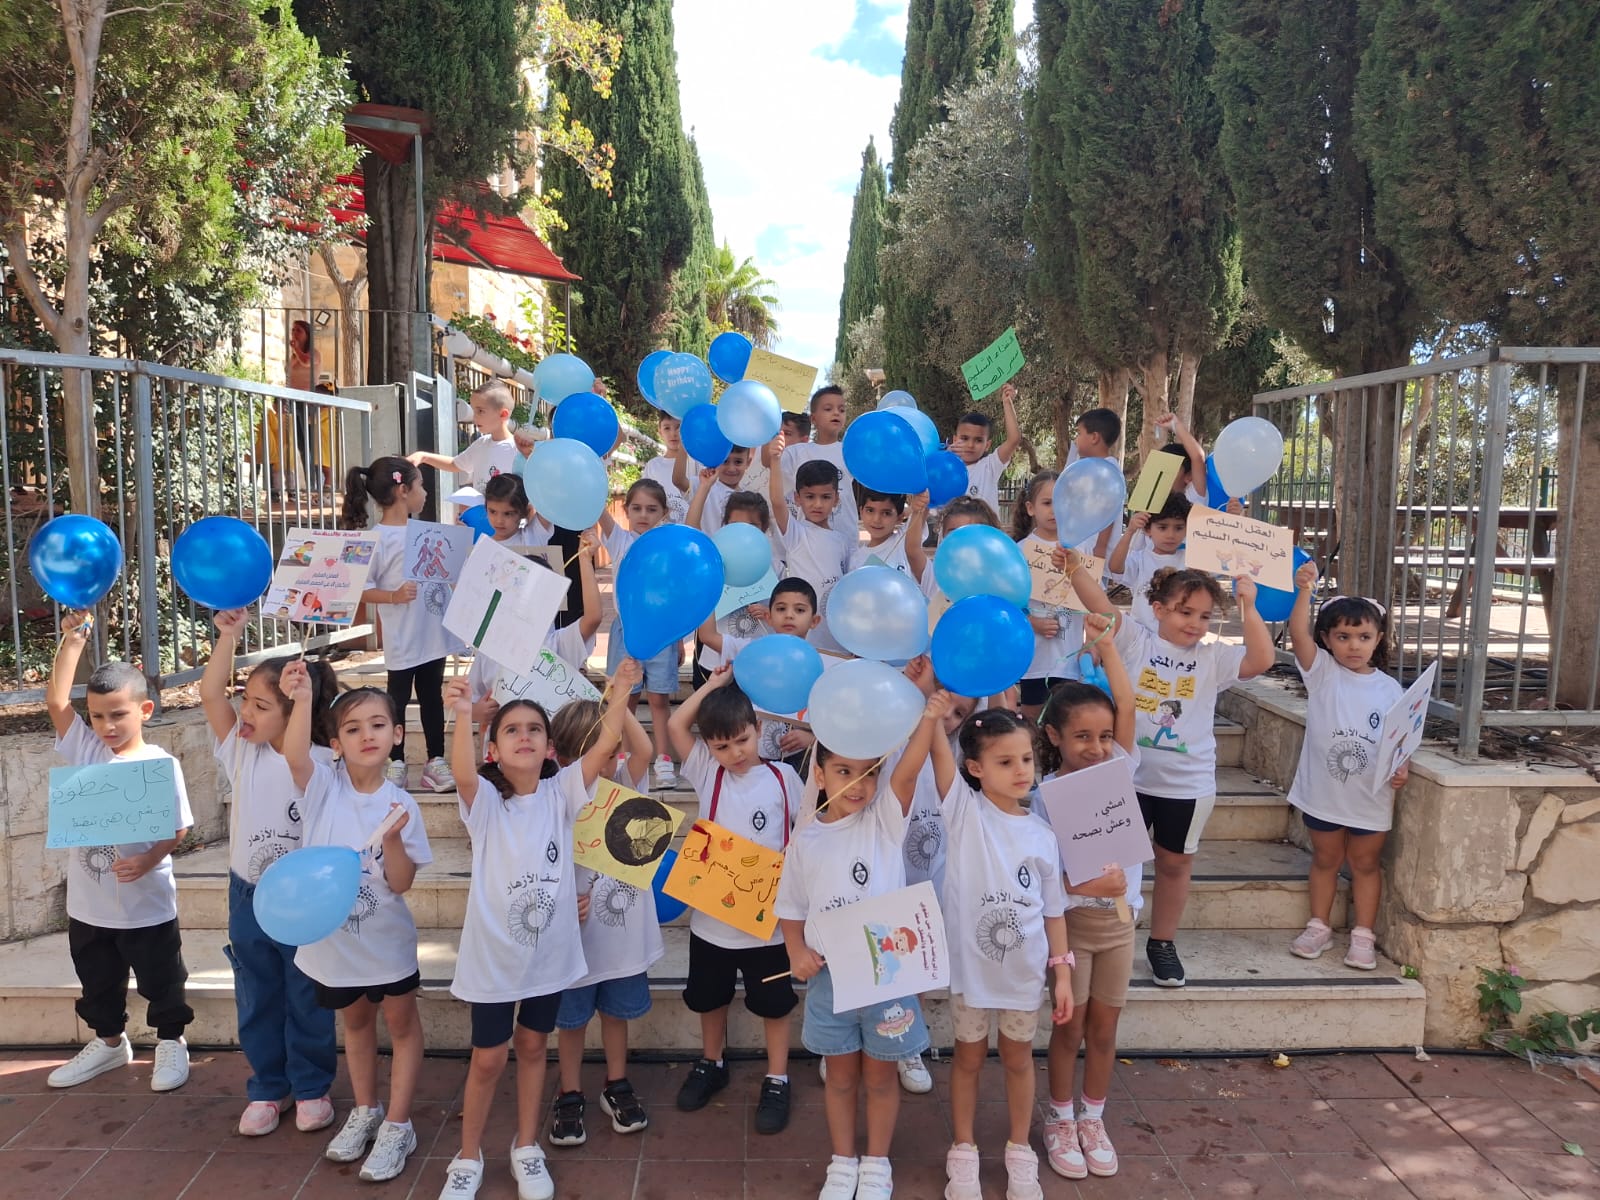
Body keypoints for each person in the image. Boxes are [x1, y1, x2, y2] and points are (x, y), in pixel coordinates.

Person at [434, 661, 638, 1200]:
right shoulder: (484, 802)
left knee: (532, 1047)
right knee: (488, 1058)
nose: (523, 736)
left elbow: (605, 742)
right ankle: (468, 1156)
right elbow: (461, 774)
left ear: (550, 747)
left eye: (534, 729)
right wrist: (463, 713)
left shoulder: (562, 793)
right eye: (511, 730)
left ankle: (526, 1147)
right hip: (493, 961)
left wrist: (620, 690)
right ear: (494, 749)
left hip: (548, 957)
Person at [891, 697, 1073, 1200]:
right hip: (971, 975)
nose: (1021, 770)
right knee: (968, 1060)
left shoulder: (1042, 835)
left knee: (1018, 1060)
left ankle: (1020, 1150)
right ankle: (964, 1149)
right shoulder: (962, 814)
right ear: (975, 768)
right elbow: (938, 755)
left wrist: (1061, 973)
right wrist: (930, 712)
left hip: (1023, 977)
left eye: (1027, 759)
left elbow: (1054, 912)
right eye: (1005, 761)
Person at [1082, 566, 1274, 987]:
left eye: (1205, 616)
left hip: (1187, 785)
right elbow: (1098, 603)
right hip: (1127, 780)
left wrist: (1249, 605)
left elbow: (1261, 659)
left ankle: (1162, 943)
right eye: (1185, 612)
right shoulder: (1137, 641)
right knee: (1114, 862)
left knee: (1174, 863)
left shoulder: (1213, 657)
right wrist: (1074, 568)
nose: (1195, 623)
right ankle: (1105, 937)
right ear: (1158, 609)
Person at [282, 670, 433, 1183]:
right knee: (356, 1024)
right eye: (352, 728)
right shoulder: (323, 788)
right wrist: (303, 698)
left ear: (397, 734)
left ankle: (398, 1124)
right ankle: (366, 1109)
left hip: (387, 945)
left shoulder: (403, 804)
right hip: (334, 946)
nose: (366, 735)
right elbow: (294, 755)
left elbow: (402, 882)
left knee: (402, 1025)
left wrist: (393, 840)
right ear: (335, 744)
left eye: (377, 724)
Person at [199, 612, 338, 1136]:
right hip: (247, 895)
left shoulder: (320, 762)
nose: (246, 713)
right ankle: (267, 1087)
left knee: (306, 994)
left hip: (303, 903)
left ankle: (311, 1085)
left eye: (261, 705)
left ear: (293, 709)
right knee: (256, 993)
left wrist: (302, 700)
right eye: (247, 700)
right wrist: (227, 637)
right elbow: (210, 694)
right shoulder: (243, 751)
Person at [44, 613, 195, 1094]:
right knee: (98, 983)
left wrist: (148, 860)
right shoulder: (86, 753)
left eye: (117, 714)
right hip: (89, 907)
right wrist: (73, 642)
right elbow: (55, 701)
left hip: (146, 906)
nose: (106, 726)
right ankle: (110, 1043)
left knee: (162, 979)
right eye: (97, 716)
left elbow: (178, 828)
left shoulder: (160, 764)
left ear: (145, 710)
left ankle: (171, 1041)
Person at [776, 747, 930, 1200]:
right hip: (831, 981)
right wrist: (796, 951)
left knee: (881, 1079)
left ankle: (877, 1163)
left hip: (887, 979)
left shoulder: (884, 822)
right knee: (840, 1078)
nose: (858, 784)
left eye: (869, 773)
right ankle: (843, 1162)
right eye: (844, 771)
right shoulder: (805, 840)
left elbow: (908, 772)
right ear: (819, 775)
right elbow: (791, 907)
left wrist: (928, 718)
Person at [667, 667, 804, 1136]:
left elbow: (804, 834)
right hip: (712, 922)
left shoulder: (784, 778)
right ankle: (712, 1062)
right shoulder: (708, 773)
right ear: (708, 748)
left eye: (742, 740)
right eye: (722, 746)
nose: (735, 753)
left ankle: (777, 1077)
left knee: (775, 1004)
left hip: (769, 925)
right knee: (710, 998)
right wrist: (711, 685)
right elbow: (675, 724)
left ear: (759, 729)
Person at [1033, 611, 1141, 1181]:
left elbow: (1127, 703)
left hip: (1119, 925)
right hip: (1070, 929)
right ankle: (1058, 1117)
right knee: (1068, 1027)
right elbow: (1046, 877)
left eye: (1104, 736)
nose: (1097, 747)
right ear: (1053, 736)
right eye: (1082, 736)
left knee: (1104, 1029)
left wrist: (1109, 646)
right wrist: (1086, 885)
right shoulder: (1044, 796)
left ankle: (1092, 1117)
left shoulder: (1119, 768)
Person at [546, 693, 661, 1154]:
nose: (609, 762)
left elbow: (646, 749)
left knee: (617, 1015)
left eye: (612, 752)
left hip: (623, 941)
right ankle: (569, 1091)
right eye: (597, 754)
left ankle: (617, 1083)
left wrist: (618, 703)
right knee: (571, 1021)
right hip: (575, 939)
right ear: (565, 758)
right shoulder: (556, 796)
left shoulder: (627, 786)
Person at [1285, 565, 1407, 970]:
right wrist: (1305, 590)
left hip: (1370, 797)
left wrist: (1402, 766)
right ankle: (1318, 926)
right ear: (1326, 639)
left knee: (1365, 864)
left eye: (1364, 637)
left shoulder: (1391, 689)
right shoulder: (1322, 674)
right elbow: (1297, 632)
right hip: (1324, 793)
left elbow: (1401, 739)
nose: (1354, 645)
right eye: (1343, 636)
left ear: (1379, 639)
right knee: (1325, 860)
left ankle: (1363, 935)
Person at [343, 455, 461, 793]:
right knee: (396, 698)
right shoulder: (376, 539)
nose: (426, 492)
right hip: (401, 637)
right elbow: (361, 590)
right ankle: (396, 761)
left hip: (432, 632)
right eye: (421, 485)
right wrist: (393, 596)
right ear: (402, 490)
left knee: (432, 696)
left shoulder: (429, 533)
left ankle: (435, 760)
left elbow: (449, 574)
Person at [599, 479, 680, 788]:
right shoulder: (620, 540)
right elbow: (596, 507)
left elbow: (673, 593)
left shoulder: (667, 546)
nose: (643, 515)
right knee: (625, 697)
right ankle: (623, 756)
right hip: (627, 631)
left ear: (664, 513)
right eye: (637, 508)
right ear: (626, 510)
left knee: (659, 699)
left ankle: (663, 759)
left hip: (661, 632)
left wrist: (676, 637)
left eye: (651, 509)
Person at [696, 577, 822, 772]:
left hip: (799, 756)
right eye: (781, 609)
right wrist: (710, 588)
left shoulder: (822, 663)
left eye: (799, 610)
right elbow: (708, 636)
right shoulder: (750, 650)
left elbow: (831, 716)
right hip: (752, 756)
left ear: (814, 621)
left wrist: (812, 738)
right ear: (768, 617)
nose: (789, 615)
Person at [1012, 471, 1083, 722]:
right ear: (1030, 508)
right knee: (1032, 718)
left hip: (1070, 656)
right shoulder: (1019, 551)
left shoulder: (1080, 549)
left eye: (1061, 502)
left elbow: (1092, 600)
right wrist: (1033, 623)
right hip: (1035, 658)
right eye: (1047, 502)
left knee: (1066, 719)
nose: (1055, 510)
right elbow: (1009, 602)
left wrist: (1094, 646)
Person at [768, 449, 853, 653]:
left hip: (835, 633)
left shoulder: (842, 542)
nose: (817, 504)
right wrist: (775, 460)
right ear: (797, 498)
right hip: (804, 633)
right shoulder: (796, 533)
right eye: (810, 497)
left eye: (825, 497)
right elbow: (777, 502)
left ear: (836, 499)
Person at [407, 380, 518, 497]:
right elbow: (454, 464)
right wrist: (423, 456)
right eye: (474, 411)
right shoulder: (481, 444)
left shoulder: (517, 449)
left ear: (503, 414)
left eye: (480, 411)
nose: (475, 418)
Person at [1107, 493, 1191, 633]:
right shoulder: (1140, 559)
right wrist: (1130, 531)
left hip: (1177, 638)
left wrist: (1229, 519)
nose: (1171, 535)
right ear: (1147, 529)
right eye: (1163, 527)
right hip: (1141, 637)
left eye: (1178, 528)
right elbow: (1115, 567)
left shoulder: (1190, 561)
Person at [780, 385, 857, 534]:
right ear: (813, 419)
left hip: (846, 536)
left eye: (841, 410)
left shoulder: (851, 452)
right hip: (808, 538)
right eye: (828, 409)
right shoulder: (796, 452)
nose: (836, 413)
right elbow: (769, 463)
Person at [948, 381, 1022, 516]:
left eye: (978, 440)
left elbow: (1014, 439)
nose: (970, 445)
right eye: (964, 438)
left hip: (985, 530)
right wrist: (945, 460)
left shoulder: (989, 466)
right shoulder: (946, 472)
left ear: (987, 445)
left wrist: (1007, 403)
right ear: (954, 440)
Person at [850, 487, 930, 580]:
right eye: (870, 510)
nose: (876, 519)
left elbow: (921, 511)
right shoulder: (856, 560)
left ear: (899, 517)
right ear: (861, 512)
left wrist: (920, 503)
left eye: (886, 513)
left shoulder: (904, 540)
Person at [641, 412, 699, 524]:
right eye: (667, 428)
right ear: (660, 431)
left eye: (678, 428)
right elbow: (644, 499)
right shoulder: (653, 466)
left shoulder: (697, 463)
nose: (673, 433)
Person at [685, 447, 755, 539]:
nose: (731, 469)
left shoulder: (749, 502)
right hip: (708, 546)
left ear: (748, 462)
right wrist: (704, 486)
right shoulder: (705, 485)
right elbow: (691, 529)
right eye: (725, 461)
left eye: (738, 462)